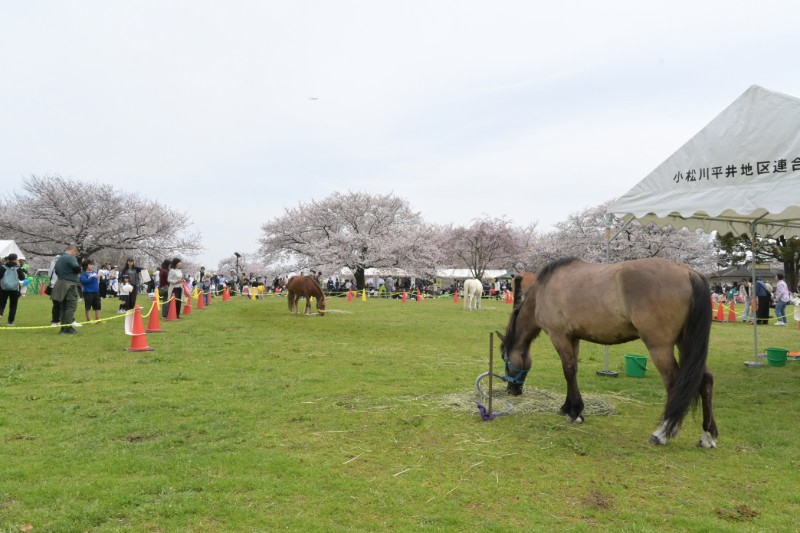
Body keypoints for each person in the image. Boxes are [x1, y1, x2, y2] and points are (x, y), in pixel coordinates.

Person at [51, 244, 82, 334]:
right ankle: (68, 327)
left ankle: (63, 328)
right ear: (73, 251)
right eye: (75, 253)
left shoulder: (59, 259)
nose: (75, 254)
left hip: (60, 283)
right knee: (71, 306)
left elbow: (56, 271)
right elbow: (77, 268)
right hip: (70, 284)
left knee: (63, 307)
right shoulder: (70, 258)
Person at [0, 253, 26, 326]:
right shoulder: (17, 268)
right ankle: (10, 322)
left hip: (3, 288)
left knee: (1, 304)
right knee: (13, 306)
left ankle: (0, 314)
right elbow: (22, 278)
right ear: (15, 259)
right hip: (15, 289)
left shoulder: (2, 267)